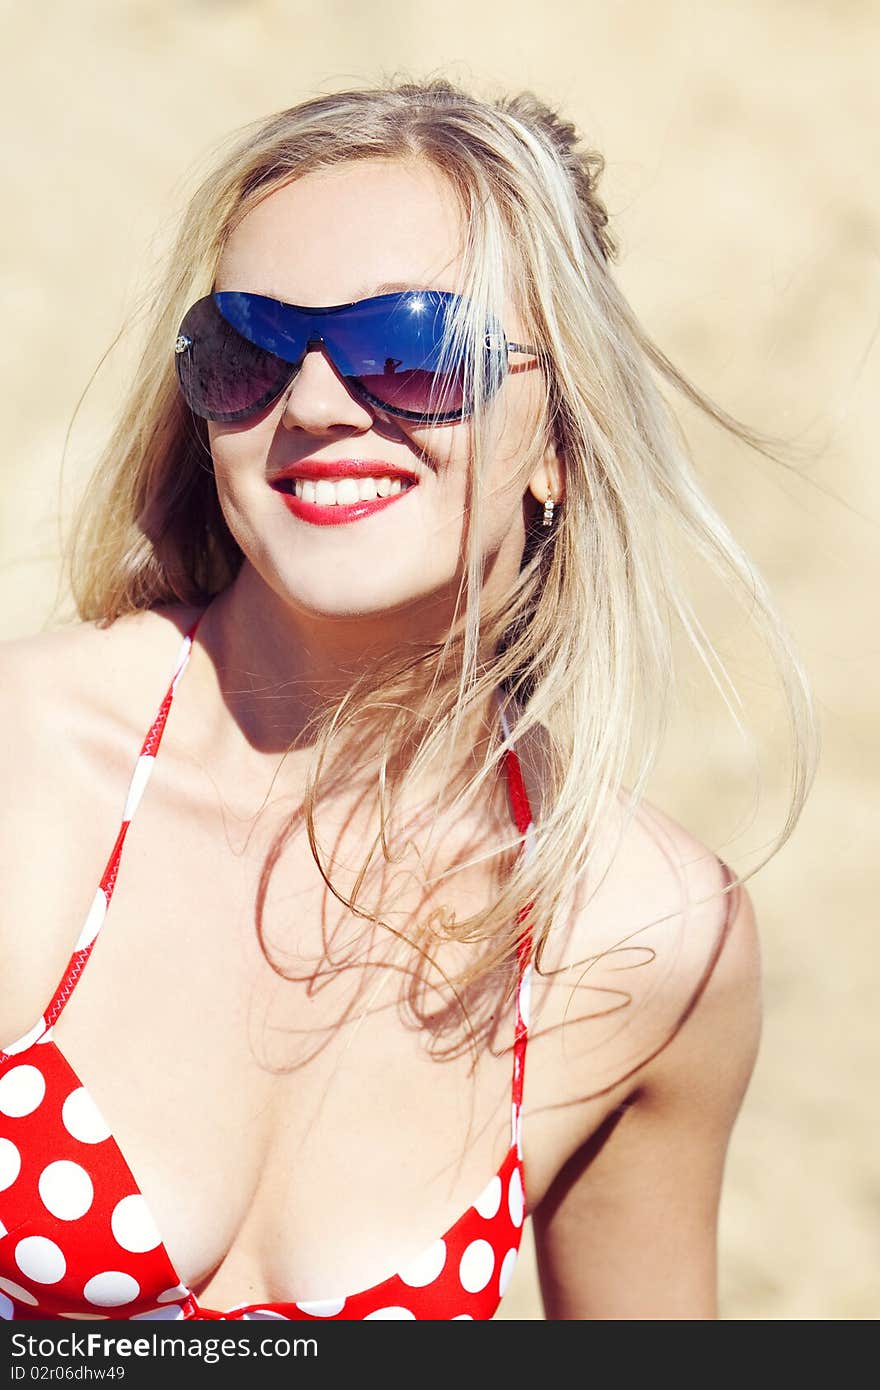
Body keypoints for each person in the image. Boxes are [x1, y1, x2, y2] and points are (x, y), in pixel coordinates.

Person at [0, 77, 817, 1322]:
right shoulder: (32, 767)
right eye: (249, 349)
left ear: (560, 438)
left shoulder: (646, 936)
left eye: (415, 349)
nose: (318, 405)